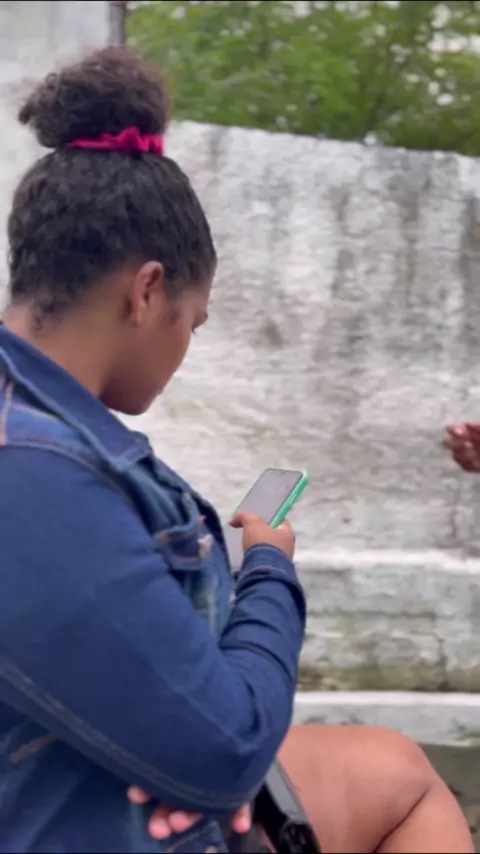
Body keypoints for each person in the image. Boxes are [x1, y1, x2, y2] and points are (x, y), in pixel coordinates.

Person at [0, 47, 472, 854]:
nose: (186, 346)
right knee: (384, 786)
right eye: (194, 320)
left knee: (394, 768)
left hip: (77, 768)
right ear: (146, 291)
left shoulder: (37, 424)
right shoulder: (33, 471)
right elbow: (229, 748)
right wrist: (269, 568)